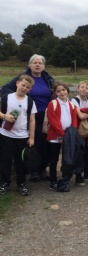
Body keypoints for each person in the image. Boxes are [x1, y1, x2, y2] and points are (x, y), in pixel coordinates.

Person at [1, 54, 54, 182]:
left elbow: (55, 92)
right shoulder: (23, 78)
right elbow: (5, 89)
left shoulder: (48, 79)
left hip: (47, 115)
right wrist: (17, 100)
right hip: (30, 115)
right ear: (30, 65)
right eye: (35, 63)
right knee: (35, 142)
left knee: (47, 143)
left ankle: (43, 169)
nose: (37, 65)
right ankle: (34, 170)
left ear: (43, 66)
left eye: (40, 63)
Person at [0, 74, 37, 196]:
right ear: (17, 83)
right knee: (5, 160)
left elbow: (32, 120)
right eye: (23, 85)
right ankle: (5, 182)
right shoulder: (6, 98)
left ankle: (21, 183)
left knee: (20, 162)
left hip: (22, 136)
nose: (24, 88)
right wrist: (5, 116)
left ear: (30, 89)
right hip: (5, 134)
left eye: (27, 87)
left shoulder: (30, 102)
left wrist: (31, 137)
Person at [46, 82, 81, 192]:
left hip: (68, 137)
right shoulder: (52, 104)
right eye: (58, 91)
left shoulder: (72, 105)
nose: (61, 92)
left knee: (67, 158)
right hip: (55, 136)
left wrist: (71, 134)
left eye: (63, 90)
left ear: (67, 91)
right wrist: (62, 135)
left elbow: (74, 121)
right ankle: (53, 180)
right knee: (53, 159)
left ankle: (65, 178)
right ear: (55, 93)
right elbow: (53, 121)